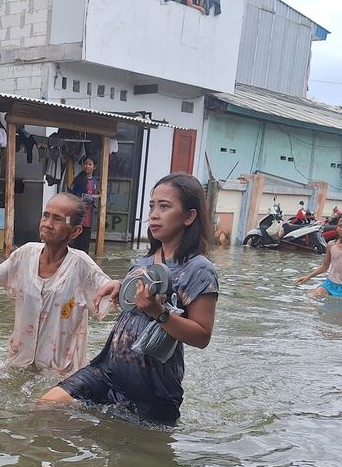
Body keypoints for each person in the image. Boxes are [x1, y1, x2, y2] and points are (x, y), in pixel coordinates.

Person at [39, 174, 219, 425]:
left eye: (164, 207)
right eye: (152, 206)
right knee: (43, 407)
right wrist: (120, 286)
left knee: (131, 457)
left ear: (189, 216)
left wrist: (160, 313)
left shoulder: (199, 269)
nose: (154, 214)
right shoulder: (145, 260)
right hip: (108, 369)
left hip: (152, 388)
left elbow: (202, 336)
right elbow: (136, 305)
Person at [0, 193, 113, 376]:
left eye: (58, 219)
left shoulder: (82, 266)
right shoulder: (25, 254)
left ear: (75, 231)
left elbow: (112, 292)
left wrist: (120, 286)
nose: (47, 224)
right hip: (19, 363)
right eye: (46, 215)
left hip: (60, 372)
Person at [69, 157, 99, 253]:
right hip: (78, 216)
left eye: (90, 164)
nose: (87, 166)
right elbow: (72, 195)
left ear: (95, 167)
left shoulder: (95, 181)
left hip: (88, 218)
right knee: (73, 243)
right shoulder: (78, 179)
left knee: (84, 246)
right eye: (85, 164)